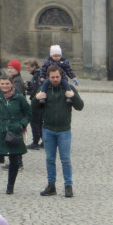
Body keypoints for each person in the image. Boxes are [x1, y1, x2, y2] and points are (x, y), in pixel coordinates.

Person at [35, 65, 82, 198]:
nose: (55, 79)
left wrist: (73, 97)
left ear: (61, 76)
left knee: (65, 159)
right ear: (48, 78)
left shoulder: (69, 88)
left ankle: (68, 186)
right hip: (48, 130)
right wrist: (37, 98)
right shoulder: (44, 89)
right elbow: (34, 109)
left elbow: (80, 106)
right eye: (52, 77)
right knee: (50, 159)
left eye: (57, 77)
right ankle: (51, 185)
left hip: (64, 131)